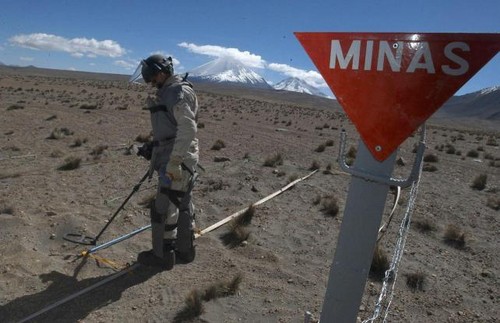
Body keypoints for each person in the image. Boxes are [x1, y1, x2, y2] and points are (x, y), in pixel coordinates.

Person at [130, 54, 199, 269]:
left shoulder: (176, 92)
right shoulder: (172, 90)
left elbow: (187, 128)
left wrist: (174, 161)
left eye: (152, 76)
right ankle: (185, 251)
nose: (150, 81)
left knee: (164, 206)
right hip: (180, 156)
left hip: (177, 159)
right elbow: (173, 127)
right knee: (182, 203)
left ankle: (162, 256)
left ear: (161, 72)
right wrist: (154, 146)